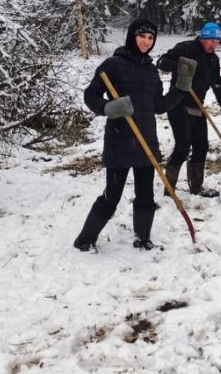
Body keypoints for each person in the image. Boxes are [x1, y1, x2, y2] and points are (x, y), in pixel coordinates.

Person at [73, 17, 194, 252]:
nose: (146, 42)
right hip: (119, 142)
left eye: (150, 38)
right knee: (112, 196)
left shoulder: (151, 71)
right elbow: (91, 95)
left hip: (146, 141)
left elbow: (159, 105)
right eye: (142, 36)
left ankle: (143, 238)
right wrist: (108, 107)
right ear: (132, 36)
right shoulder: (113, 64)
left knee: (146, 196)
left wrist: (180, 88)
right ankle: (84, 240)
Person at [157, 21, 221, 197]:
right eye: (211, 41)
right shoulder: (185, 48)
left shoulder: (213, 59)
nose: (214, 45)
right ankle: (169, 189)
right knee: (183, 147)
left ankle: (196, 187)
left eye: (217, 42)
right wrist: (179, 66)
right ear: (203, 38)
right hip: (177, 105)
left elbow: (217, 84)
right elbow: (161, 62)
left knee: (201, 147)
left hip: (197, 106)